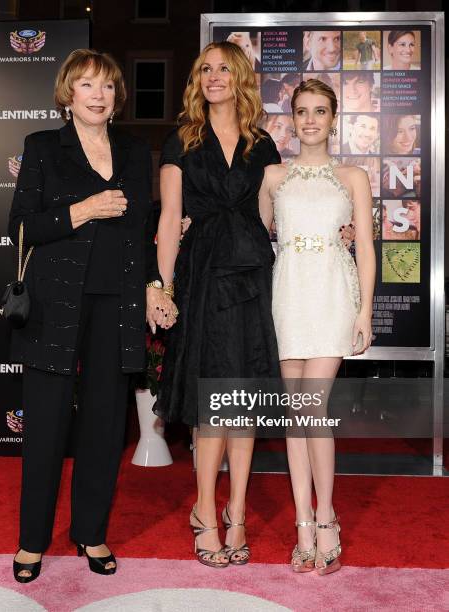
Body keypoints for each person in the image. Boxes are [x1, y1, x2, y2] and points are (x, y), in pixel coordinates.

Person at [8, 49, 168, 583]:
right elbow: (22, 227)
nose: (97, 95)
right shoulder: (42, 148)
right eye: (86, 85)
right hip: (55, 307)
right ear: (67, 95)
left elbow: (144, 231)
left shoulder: (133, 150)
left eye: (106, 86)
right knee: (46, 429)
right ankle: (32, 543)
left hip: (115, 304)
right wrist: (83, 210)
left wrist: (151, 286)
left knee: (103, 426)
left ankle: (91, 533)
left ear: (117, 96)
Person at [152, 41, 281, 568]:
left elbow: (274, 219)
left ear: (241, 77)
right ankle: (205, 509)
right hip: (203, 274)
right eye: (205, 68)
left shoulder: (263, 143)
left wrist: (334, 229)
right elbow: (168, 219)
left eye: (224, 68)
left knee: (243, 397)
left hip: (252, 275)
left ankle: (238, 512)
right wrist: (161, 287)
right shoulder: (181, 140)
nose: (213, 76)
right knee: (212, 399)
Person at [259, 79, 375, 575]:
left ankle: (326, 516)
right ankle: (303, 523)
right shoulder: (271, 177)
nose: (310, 120)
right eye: (302, 111)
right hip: (287, 296)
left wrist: (365, 311)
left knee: (313, 407)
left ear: (333, 119)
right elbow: (253, 240)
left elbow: (367, 248)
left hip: (331, 295)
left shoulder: (353, 176)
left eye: (320, 111)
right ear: (291, 117)